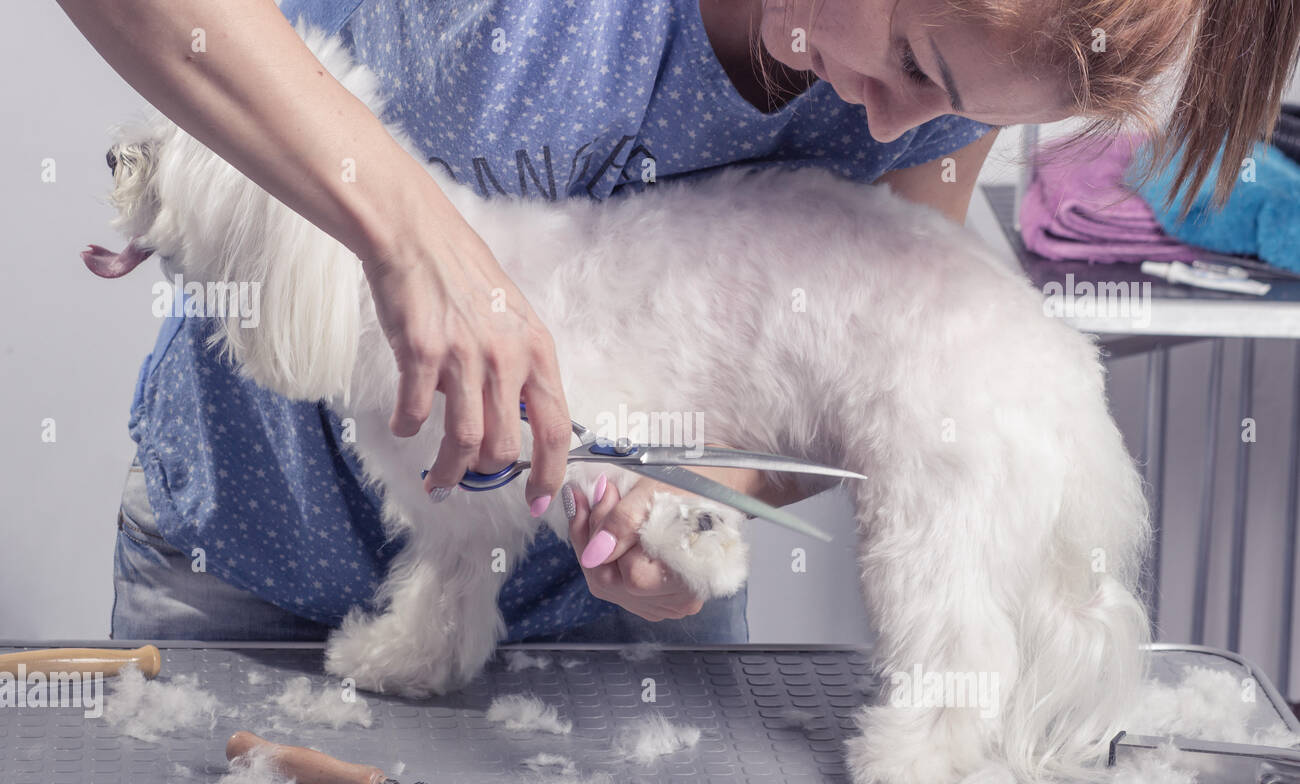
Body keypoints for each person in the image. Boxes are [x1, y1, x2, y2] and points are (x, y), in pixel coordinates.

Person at [58, 0, 1299, 644]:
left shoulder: (922, 114)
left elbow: (833, 395)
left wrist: (691, 501)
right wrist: (413, 229)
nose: (888, 128)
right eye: (917, 59)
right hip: (237, 553)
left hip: (609, 647)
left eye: (951, 111)